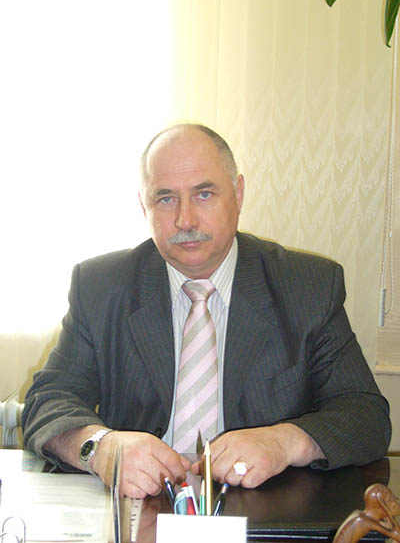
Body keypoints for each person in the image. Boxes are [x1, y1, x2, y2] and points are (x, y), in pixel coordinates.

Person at [22, 123, 391, 499]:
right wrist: (100, 446)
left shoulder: (307, 288)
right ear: (144, 206)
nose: (186, 220)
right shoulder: (101, 287)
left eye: (204, 194)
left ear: (238, 194)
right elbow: (47, 401)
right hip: (141, 504)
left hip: (263, 505)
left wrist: (285, 441)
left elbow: (365, 416)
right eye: (166, 198)